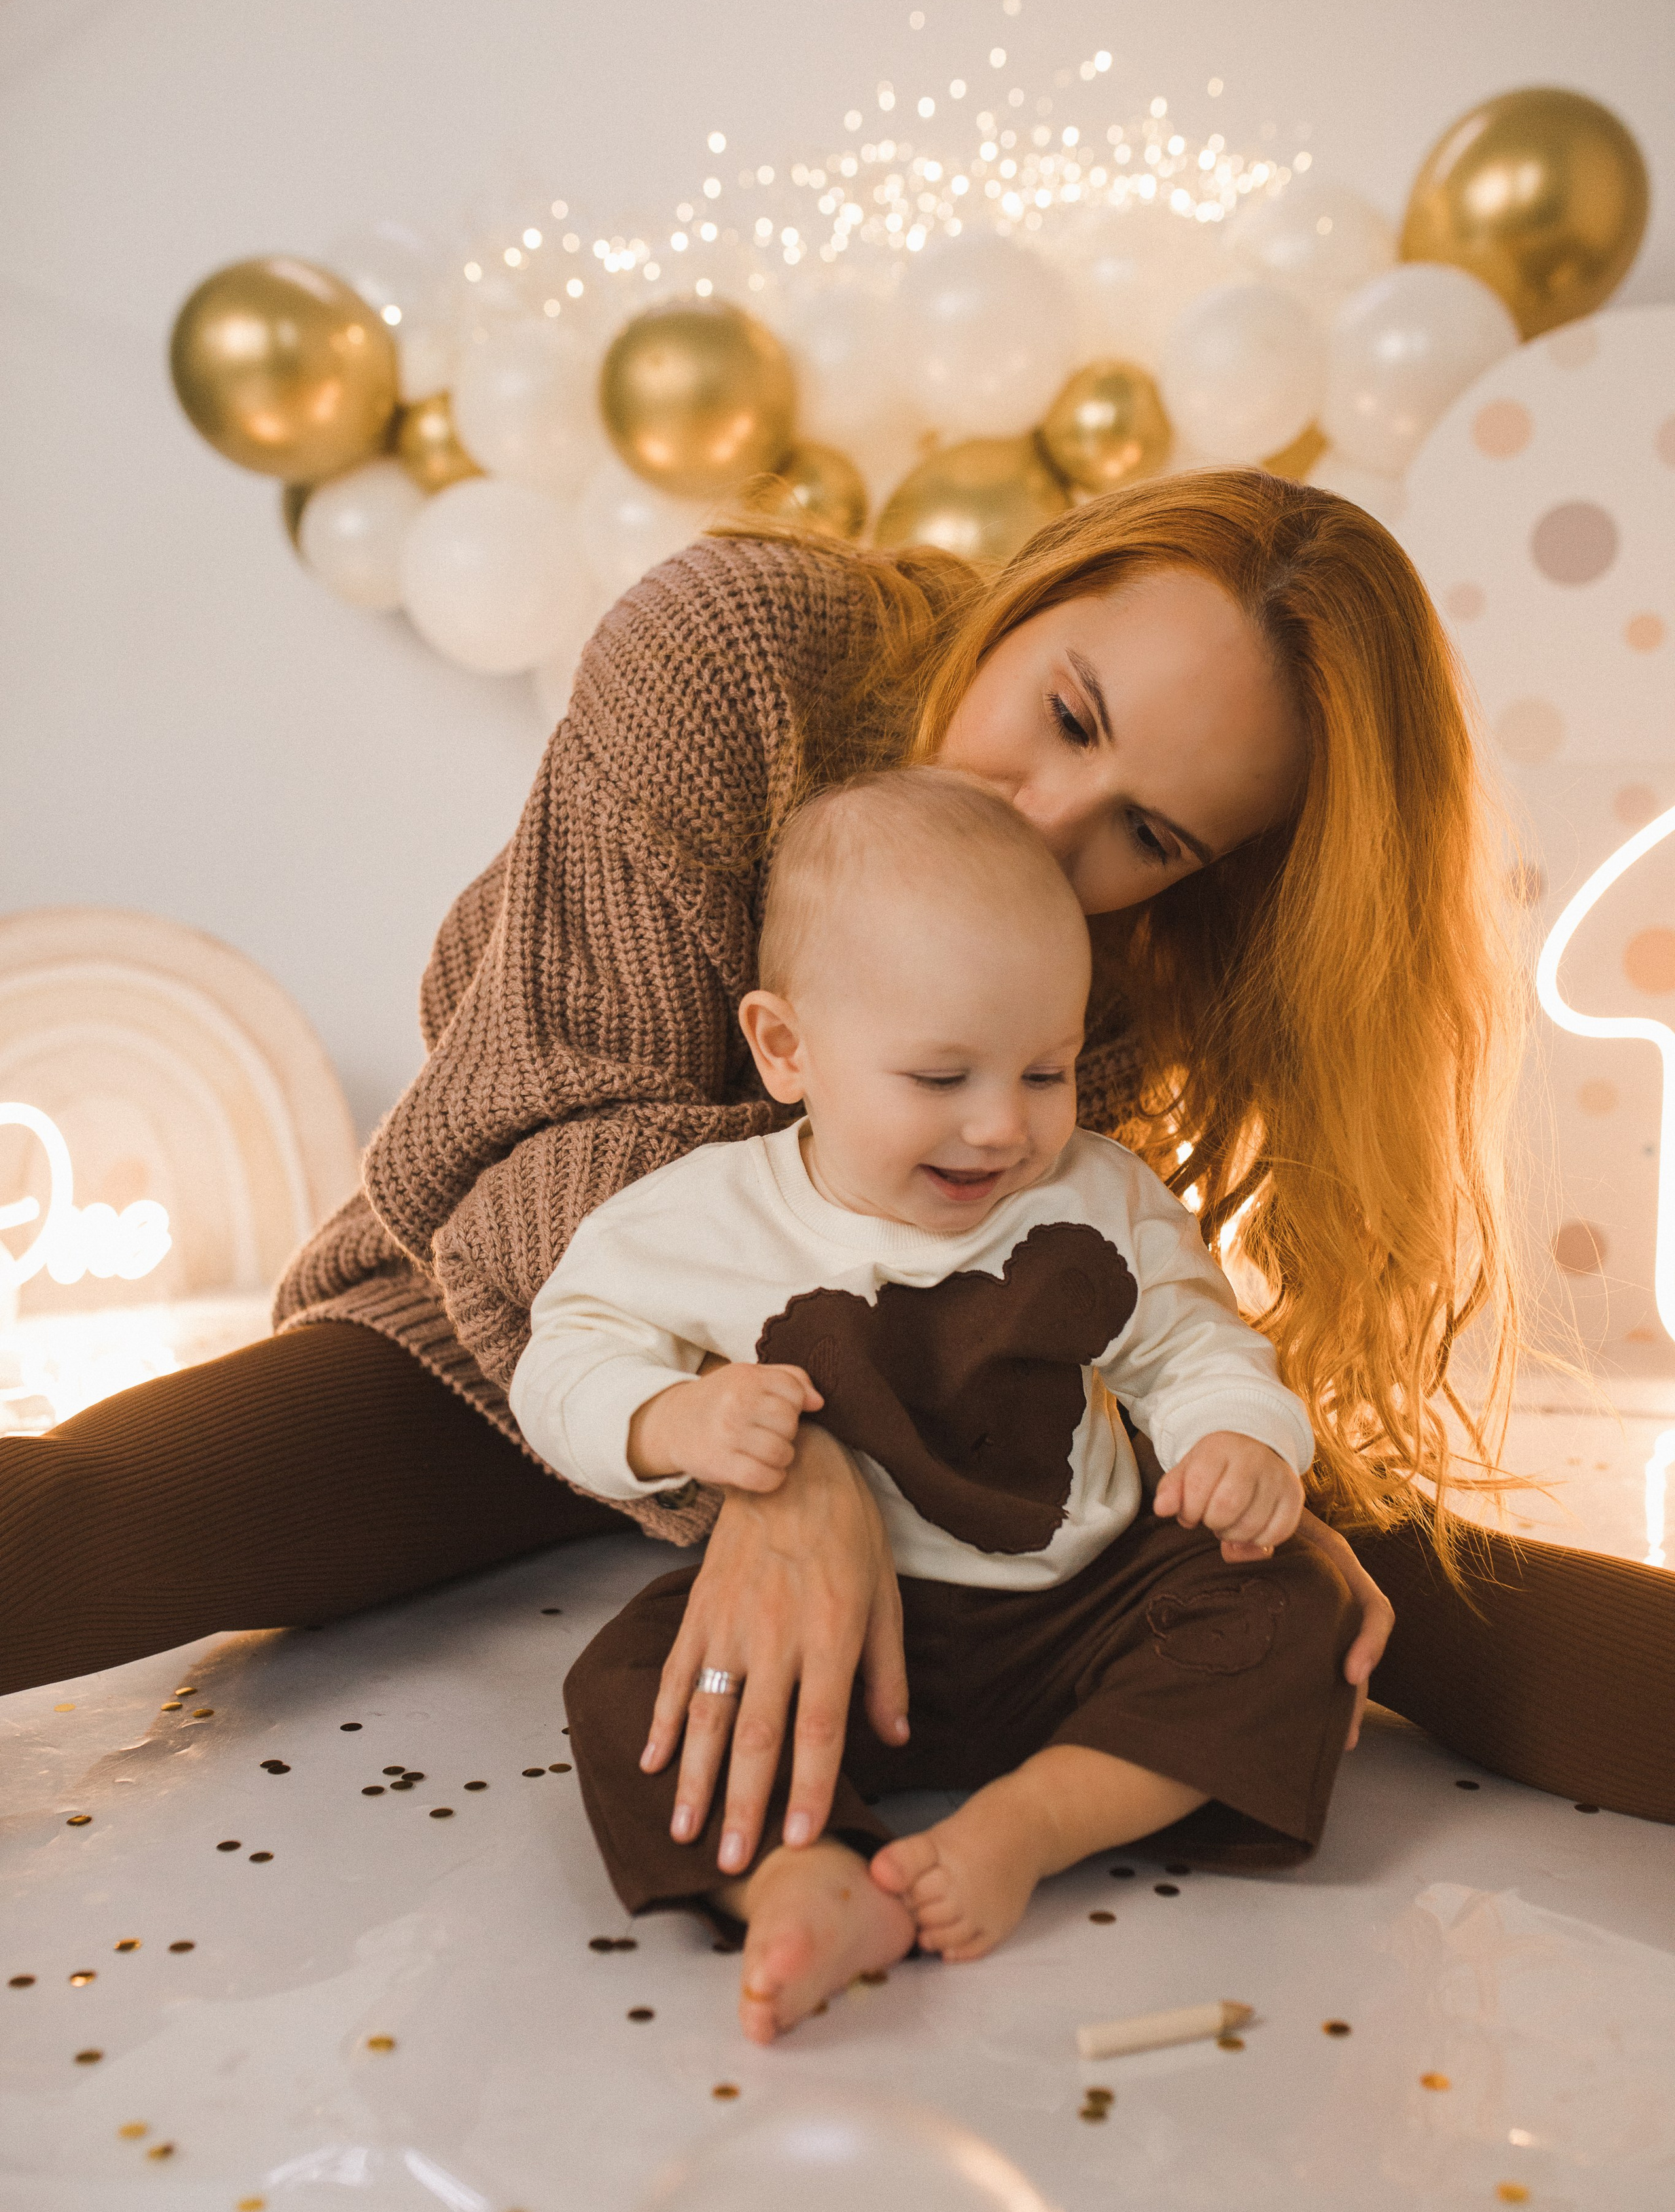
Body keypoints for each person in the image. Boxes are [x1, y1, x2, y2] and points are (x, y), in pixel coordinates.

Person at [3, 473, 1670, 1851]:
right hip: (509, 1321)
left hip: (954, 1412)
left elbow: (1093, 1269)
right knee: (100, 1522)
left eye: (1147, 832)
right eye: (1065, 712)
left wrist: (1239, 1464)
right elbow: (528, 1138)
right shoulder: (732, 652)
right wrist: (793, 1463)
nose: (1043, 825)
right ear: (1033, 590)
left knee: (1369, 1565)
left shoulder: (1146, 950)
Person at [527, 770, 1354, 2040]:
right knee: (627, 1683)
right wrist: (670, 1422)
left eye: (1043, 1071)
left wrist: (1236, 1438)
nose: (999, 1128)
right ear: (784, 1047)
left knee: (1284, 1599)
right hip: (831, 1641)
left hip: (1077, 1616)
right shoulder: (703, 1220)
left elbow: (1193, 1343)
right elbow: (565, 1359)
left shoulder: (1094, 1199)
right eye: (938, 1077)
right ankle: (805, 1877)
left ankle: (1029, 1823)